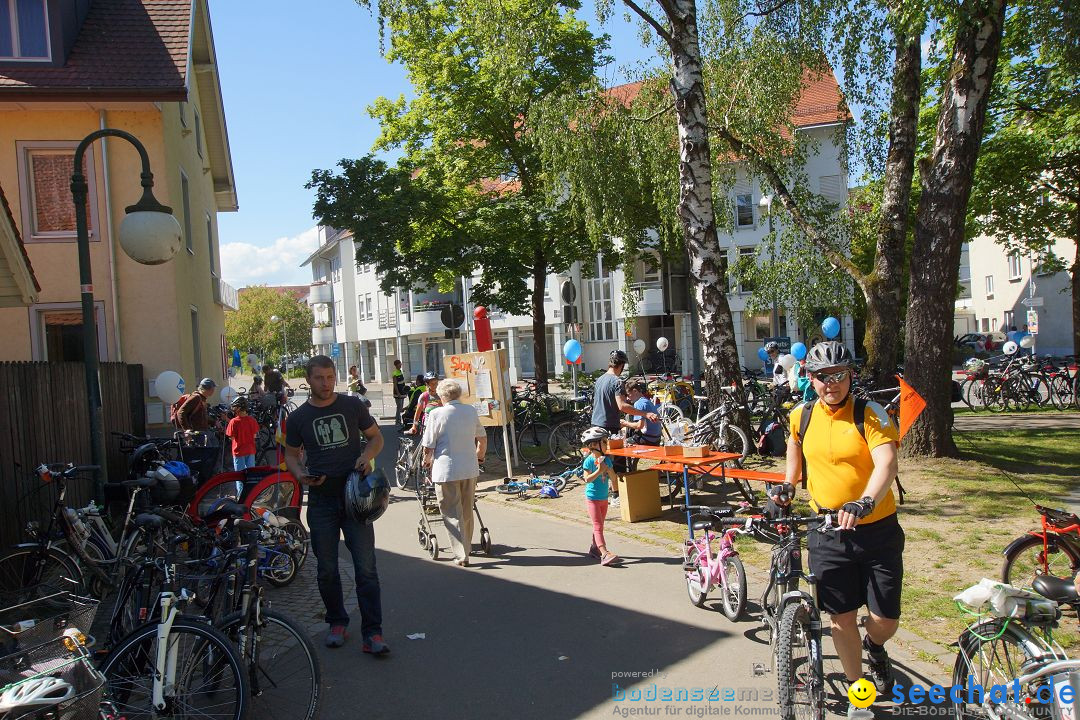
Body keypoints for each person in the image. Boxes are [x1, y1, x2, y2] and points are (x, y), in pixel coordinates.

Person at [770, 340, 902, 713]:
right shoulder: (802, 415)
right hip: (826, 529)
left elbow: (886, 464)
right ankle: (860, 693)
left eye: (839, 375)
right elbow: (794, 453)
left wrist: (865, 502)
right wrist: (788, 484)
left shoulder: (870, 413)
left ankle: (875, 647)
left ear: (850, 376)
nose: (832, 384)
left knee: (885, 619)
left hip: (876, 529)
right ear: (811, 378)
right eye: (823, 377)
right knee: (841, 617)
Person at [283, 355, 388, 655]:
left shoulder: (352, 405)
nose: (326, 384)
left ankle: (373, 633)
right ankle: (337, 622)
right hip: (321, 502)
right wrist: (301, 474)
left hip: (356, 498)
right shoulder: (299, 418)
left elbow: (376, 438)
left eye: (330, 377)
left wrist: (366, 457)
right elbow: (291, 455)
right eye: (319, 378)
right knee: (327, 569)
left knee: (366, 569)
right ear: (309, 379)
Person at [421, 379, 487, 566]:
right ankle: (466, 546)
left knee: (451, 511)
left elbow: (428, 445)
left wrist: (427, 462)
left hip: (446, 469)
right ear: (458, 394)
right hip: (469, 468)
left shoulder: (436, 414)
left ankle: (461, 554)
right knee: (467, 510)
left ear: (442, 396)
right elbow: (482, 437)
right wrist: (479, 456)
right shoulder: (470, 411)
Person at [591, 350, 658, 487]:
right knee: (618, 462)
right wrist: (645, 414)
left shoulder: (600, 380)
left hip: (595, 424)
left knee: (600, 460)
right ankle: (619, 493)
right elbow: (621, 406)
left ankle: (603, 491)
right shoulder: (617, 382)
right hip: (609, 427)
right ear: (621, 365)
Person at [581, 426, 619, 566]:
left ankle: (594, 548)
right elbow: (587, 479)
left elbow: (614, 478)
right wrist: (599, 470)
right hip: (592, 498)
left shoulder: (607, 460)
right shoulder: (589, 461)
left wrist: (608, 470)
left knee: (600, 525)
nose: (606, 444)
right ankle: (604, 553)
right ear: (594, 445)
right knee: (597, 525)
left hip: (604, 498)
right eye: (604, 441)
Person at [620, 378, 661, 471]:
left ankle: (628, 471)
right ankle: (632, 468)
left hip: (648, 439)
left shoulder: (639, 403)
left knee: (622, 445)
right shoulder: (646, 401)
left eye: (628, 394)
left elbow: (639, 426)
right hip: (656, 438)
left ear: (635, 391)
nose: (627, 398)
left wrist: (624, 423)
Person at [225, 396, 259, 472]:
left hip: (238, 452)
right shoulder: (252, 420)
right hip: (250, 451)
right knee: (250, 475)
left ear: (238, 408)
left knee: (239, 476)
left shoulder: (233, 421)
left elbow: (231, 438)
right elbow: (254, 435)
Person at [391, 360, 408, 427]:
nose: (400, 365)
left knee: (401, 407)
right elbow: (395, 384)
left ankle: (399, 420)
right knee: (399, 407)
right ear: (396, 365)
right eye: (399, 364)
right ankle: (397, 421)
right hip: (397, 393)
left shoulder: (400, 372)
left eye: (400, 364)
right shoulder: (395, 373)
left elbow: (402, 382)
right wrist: (398, 393)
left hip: (402, 392)